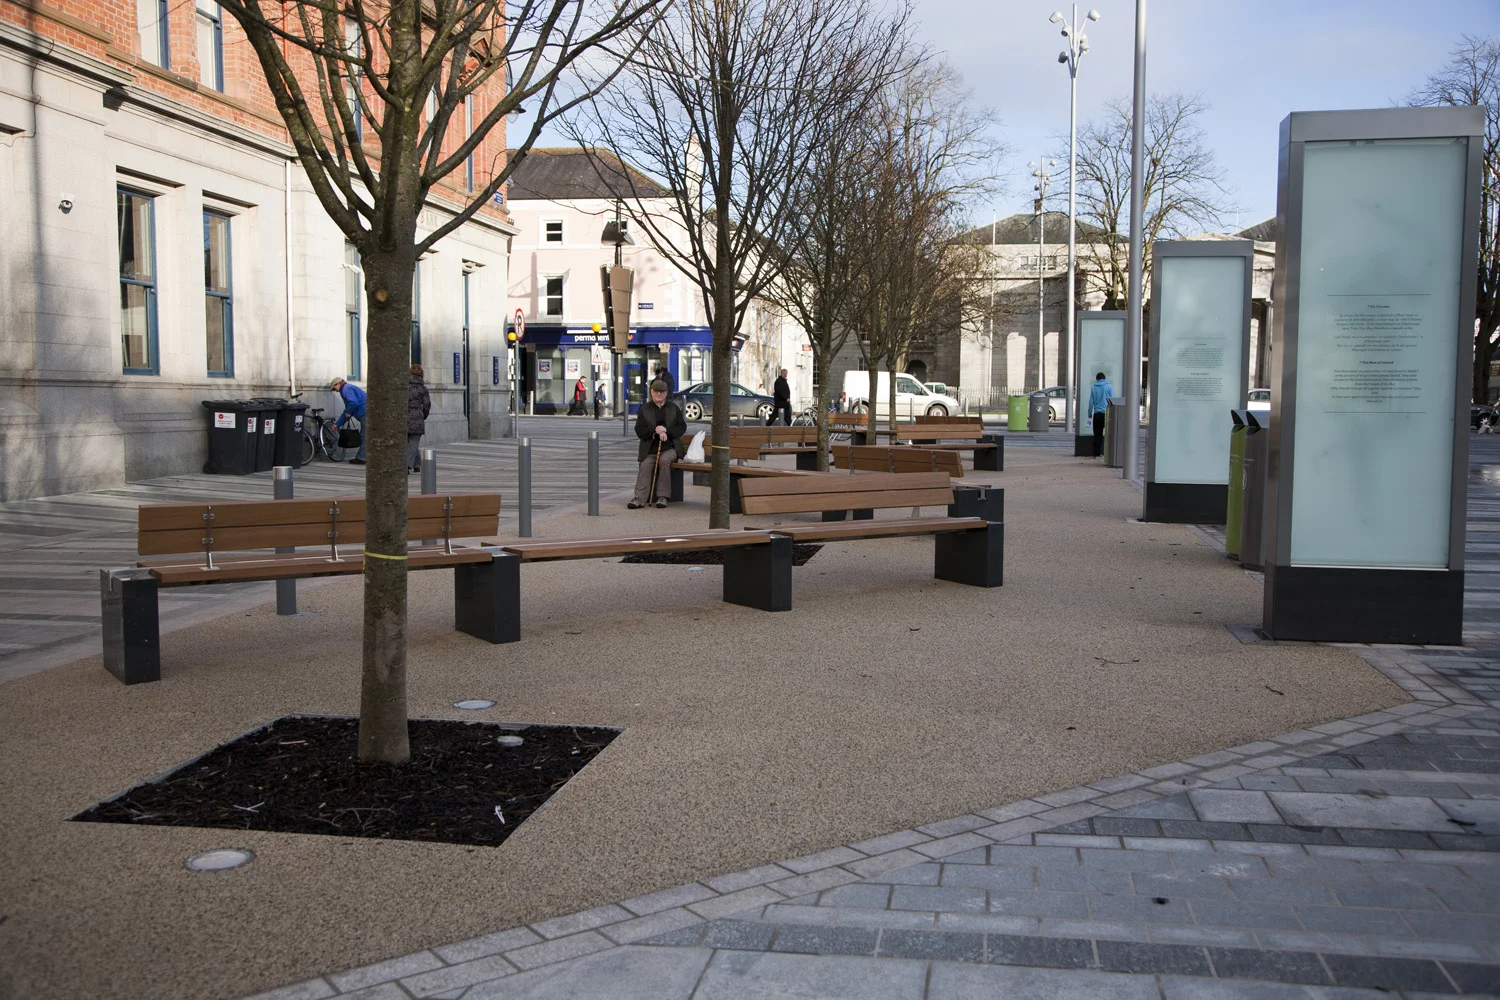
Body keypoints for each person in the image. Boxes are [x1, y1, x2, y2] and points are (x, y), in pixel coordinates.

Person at [630, 379, 685, 509]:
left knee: (664, 461)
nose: (659, 394)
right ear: (651, 392)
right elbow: (639, 430)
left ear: (666, 393)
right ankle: (639, 498)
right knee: (645, 465)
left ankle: (662, 496)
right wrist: (654, 431)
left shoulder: (673, 408)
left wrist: (667, 431)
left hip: (670, 448)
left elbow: (682, 427)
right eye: (656, 391)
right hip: (650, 449)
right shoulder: (645, 409)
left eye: (662, 392)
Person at [330, 376, 367, 464]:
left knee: (365, 435)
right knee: (367, 435)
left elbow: (353, 403)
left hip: (365, 412)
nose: (335, 390)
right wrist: (337, 424)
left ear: (338, 384)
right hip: (366, 411)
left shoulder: (345, 389)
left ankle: (362, 457)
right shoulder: (348, 388)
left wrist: (349, 412)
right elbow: (348, 410)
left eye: (334, 388)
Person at [407, 364, 431, 473]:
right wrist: (424, 415)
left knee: (411, 442)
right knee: (413, 442)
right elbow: (427, 405)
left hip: (405, 416)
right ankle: (407, 465)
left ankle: (417, 464)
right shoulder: (423, 388)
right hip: (417, 416)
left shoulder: (405, 387)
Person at [1088, 371, 1113, 458]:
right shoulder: (1109, 386)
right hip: (1107, 414)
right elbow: (1112, 399)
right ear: (1104, 378)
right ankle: (1108, 453)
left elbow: (1091, 402)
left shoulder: (1094, 387)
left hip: (1097, 414)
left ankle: (1096, 453)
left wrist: (1089, 413)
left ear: (1097, 379)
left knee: (1097, 434)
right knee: (1109, 433)